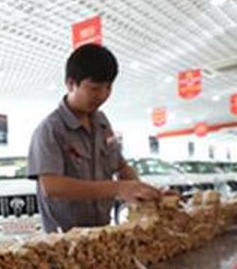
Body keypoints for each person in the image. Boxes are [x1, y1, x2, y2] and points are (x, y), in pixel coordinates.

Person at [27, 44, 161, 232]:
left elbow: (120, 166)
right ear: (71, 83)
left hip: (101, 234)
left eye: (108, 87)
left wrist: (144, 191)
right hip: (65, 240)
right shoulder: (50, 130)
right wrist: (117, 188)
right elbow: (52, 186)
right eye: (95, 88)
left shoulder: (102, 123)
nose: (103, 95)